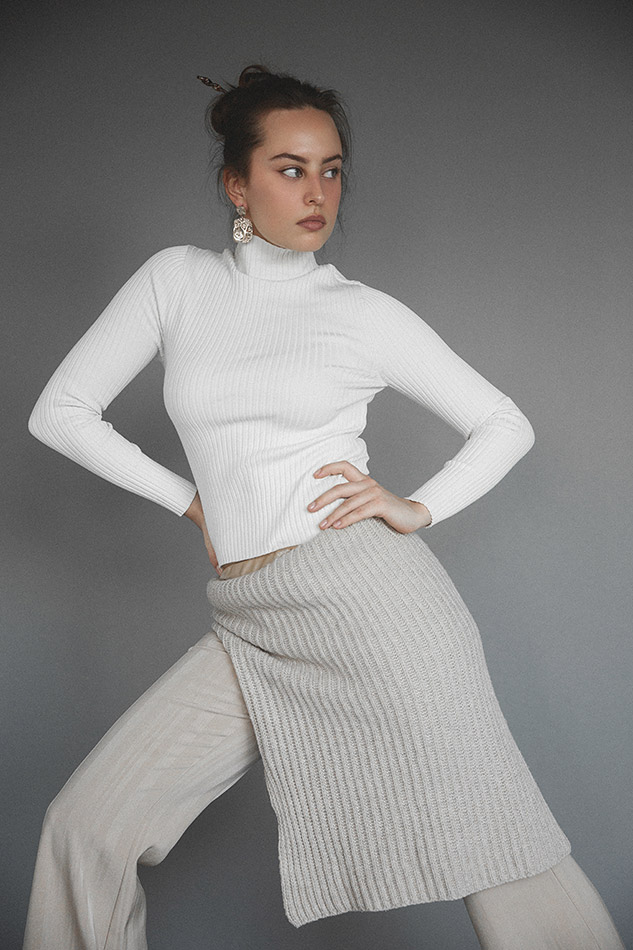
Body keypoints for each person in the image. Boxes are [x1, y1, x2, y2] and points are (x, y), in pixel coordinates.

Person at [22, 64, 625, 950]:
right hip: (251, 615)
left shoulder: (359, 313)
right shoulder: (177, 282)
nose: (317, 192)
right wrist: (191, 502)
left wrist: (417, 505)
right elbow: (60, 414)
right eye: (291, 168)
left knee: (498, 843)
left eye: (332, 169)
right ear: (238, 183)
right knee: (88, 826)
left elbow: (503, 422)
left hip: (367, 601)